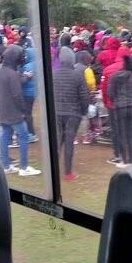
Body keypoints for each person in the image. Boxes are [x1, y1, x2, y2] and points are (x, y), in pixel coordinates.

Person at [0, 44, 40, 176]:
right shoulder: (13, 74)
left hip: (2, 110)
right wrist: (23, 110)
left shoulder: (0, 71)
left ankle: (5, 166)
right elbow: (17, 95)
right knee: (24, 137)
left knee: (4, 137)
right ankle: (24, 168)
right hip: (14, 112)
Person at [54, 47, 91, 181]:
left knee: (58, 141)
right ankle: (68, 173)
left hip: (57, 112)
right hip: (73, 114)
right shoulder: (78, 75)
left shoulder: (54, 74)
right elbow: (84, 97)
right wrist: (83, 111)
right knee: (69, 141)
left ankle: (53, 169)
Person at [108, 52, 132, 166]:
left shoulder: (115, 76)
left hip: (120, 107)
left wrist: (115, 100)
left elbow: (110, 93)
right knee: (131, 132)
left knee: (121, 133)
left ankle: (124, 160)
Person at [21, 42, 38, 141]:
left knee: (27, 114)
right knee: (29, 113)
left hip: (27, 92)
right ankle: (31, 132)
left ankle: (31, 133)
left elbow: (24, 79)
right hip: (33, 92)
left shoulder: (28, 66)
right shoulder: (37, 64)